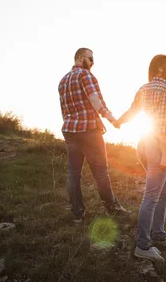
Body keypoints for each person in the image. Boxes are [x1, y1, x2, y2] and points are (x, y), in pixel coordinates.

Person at [115, 54, 166, 263]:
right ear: (160, 69)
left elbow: (133, 112)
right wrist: (165, 154)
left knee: (165, 191)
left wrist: (119, 121)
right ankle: (143, 246)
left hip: (142, 145)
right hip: (156, 147)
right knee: (151, 196)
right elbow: (163, 125)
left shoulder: (144, 88)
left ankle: (158, 235)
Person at [58, 47, 129, 223]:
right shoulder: (85, 75)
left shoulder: (62, 81)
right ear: (80, 58)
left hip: (69, 130)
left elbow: (64, 110)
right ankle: (112, 208)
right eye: (90, 58)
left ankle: (77, 214)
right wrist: (113, 120)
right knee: (101, 172)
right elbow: (95, 100)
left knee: (73, 174)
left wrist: (69, 123)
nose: (93, 62)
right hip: (88, 130)